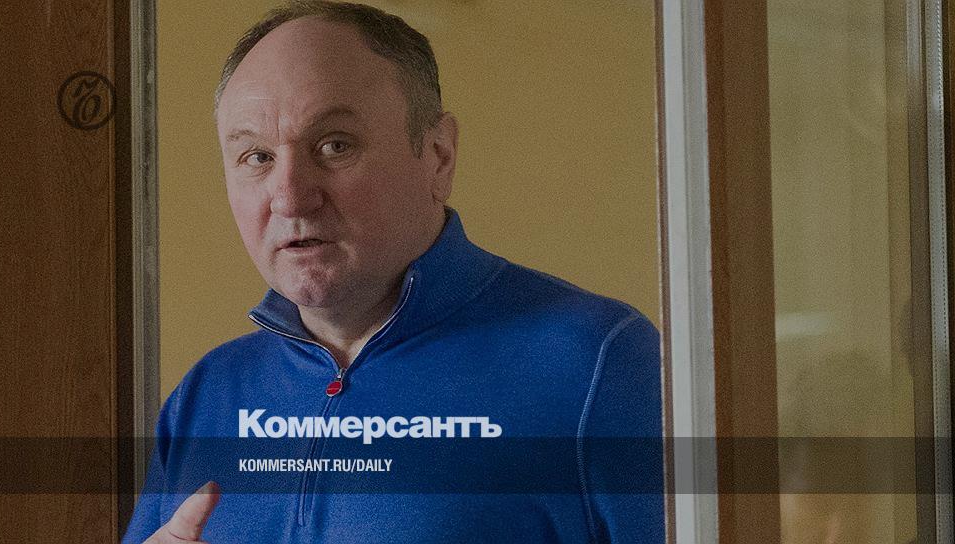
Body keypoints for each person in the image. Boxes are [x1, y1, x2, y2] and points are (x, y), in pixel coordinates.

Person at [123, 1, 664, 542]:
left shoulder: (600, 362)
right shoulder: (207, 395)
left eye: (334, 146)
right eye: (257, 157)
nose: (289, 197)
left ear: (438, 156)